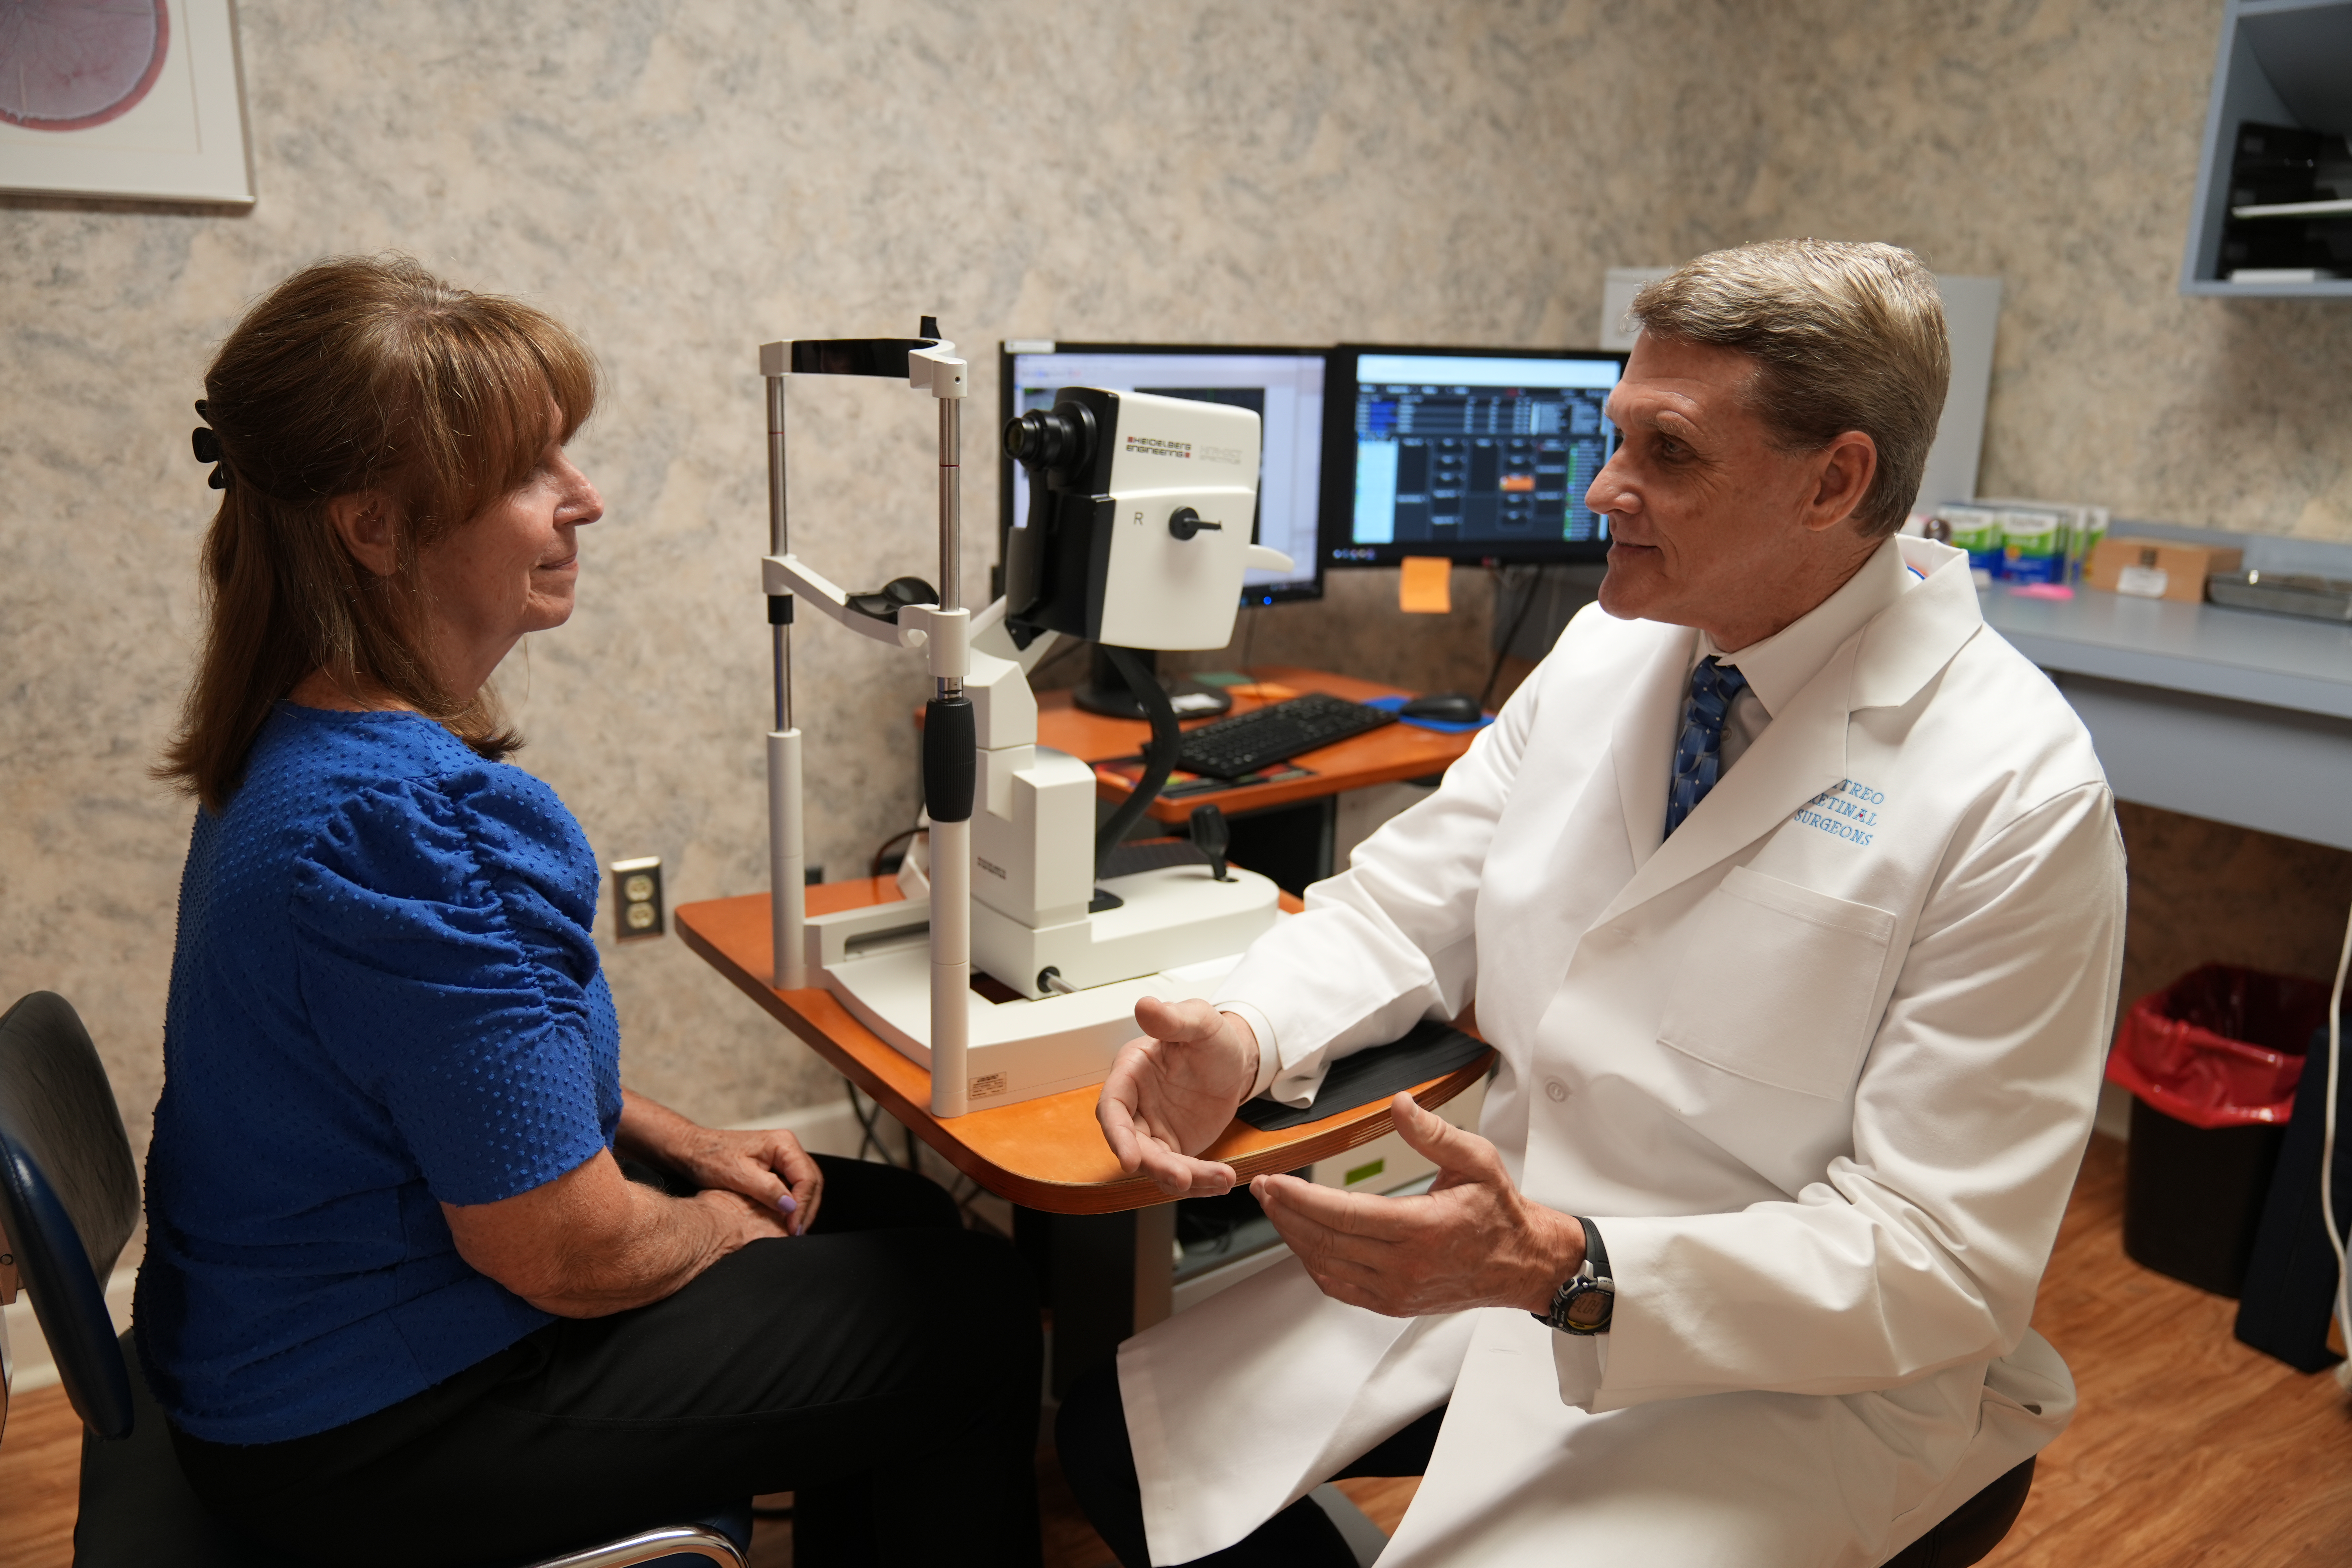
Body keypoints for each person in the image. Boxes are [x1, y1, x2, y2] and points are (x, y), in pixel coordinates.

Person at [1060, 239, 2126, 1567]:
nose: (1601, 488)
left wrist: (1566, 1266)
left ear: (1835, 480)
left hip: (1784, 1370)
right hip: (1503, 1259)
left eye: (1668, 453)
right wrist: (1248, 1028)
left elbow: (1941, 1262)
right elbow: (1406, 904)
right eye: (1616, 433)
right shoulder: (1615, 645)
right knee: (1118, 1436)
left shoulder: (2015, 790)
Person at [139, 256, 1041, 1568]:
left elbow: (429, 1062)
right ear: (374, 527)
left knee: (897, 1222)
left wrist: (684, 1138)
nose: (588, 500)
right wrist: (728, 1226)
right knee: (966, 1308)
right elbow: (562, 1251)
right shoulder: (408, 827)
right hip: (368, 1431)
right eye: (528, 474)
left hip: (271, 1344)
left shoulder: (290, 748)